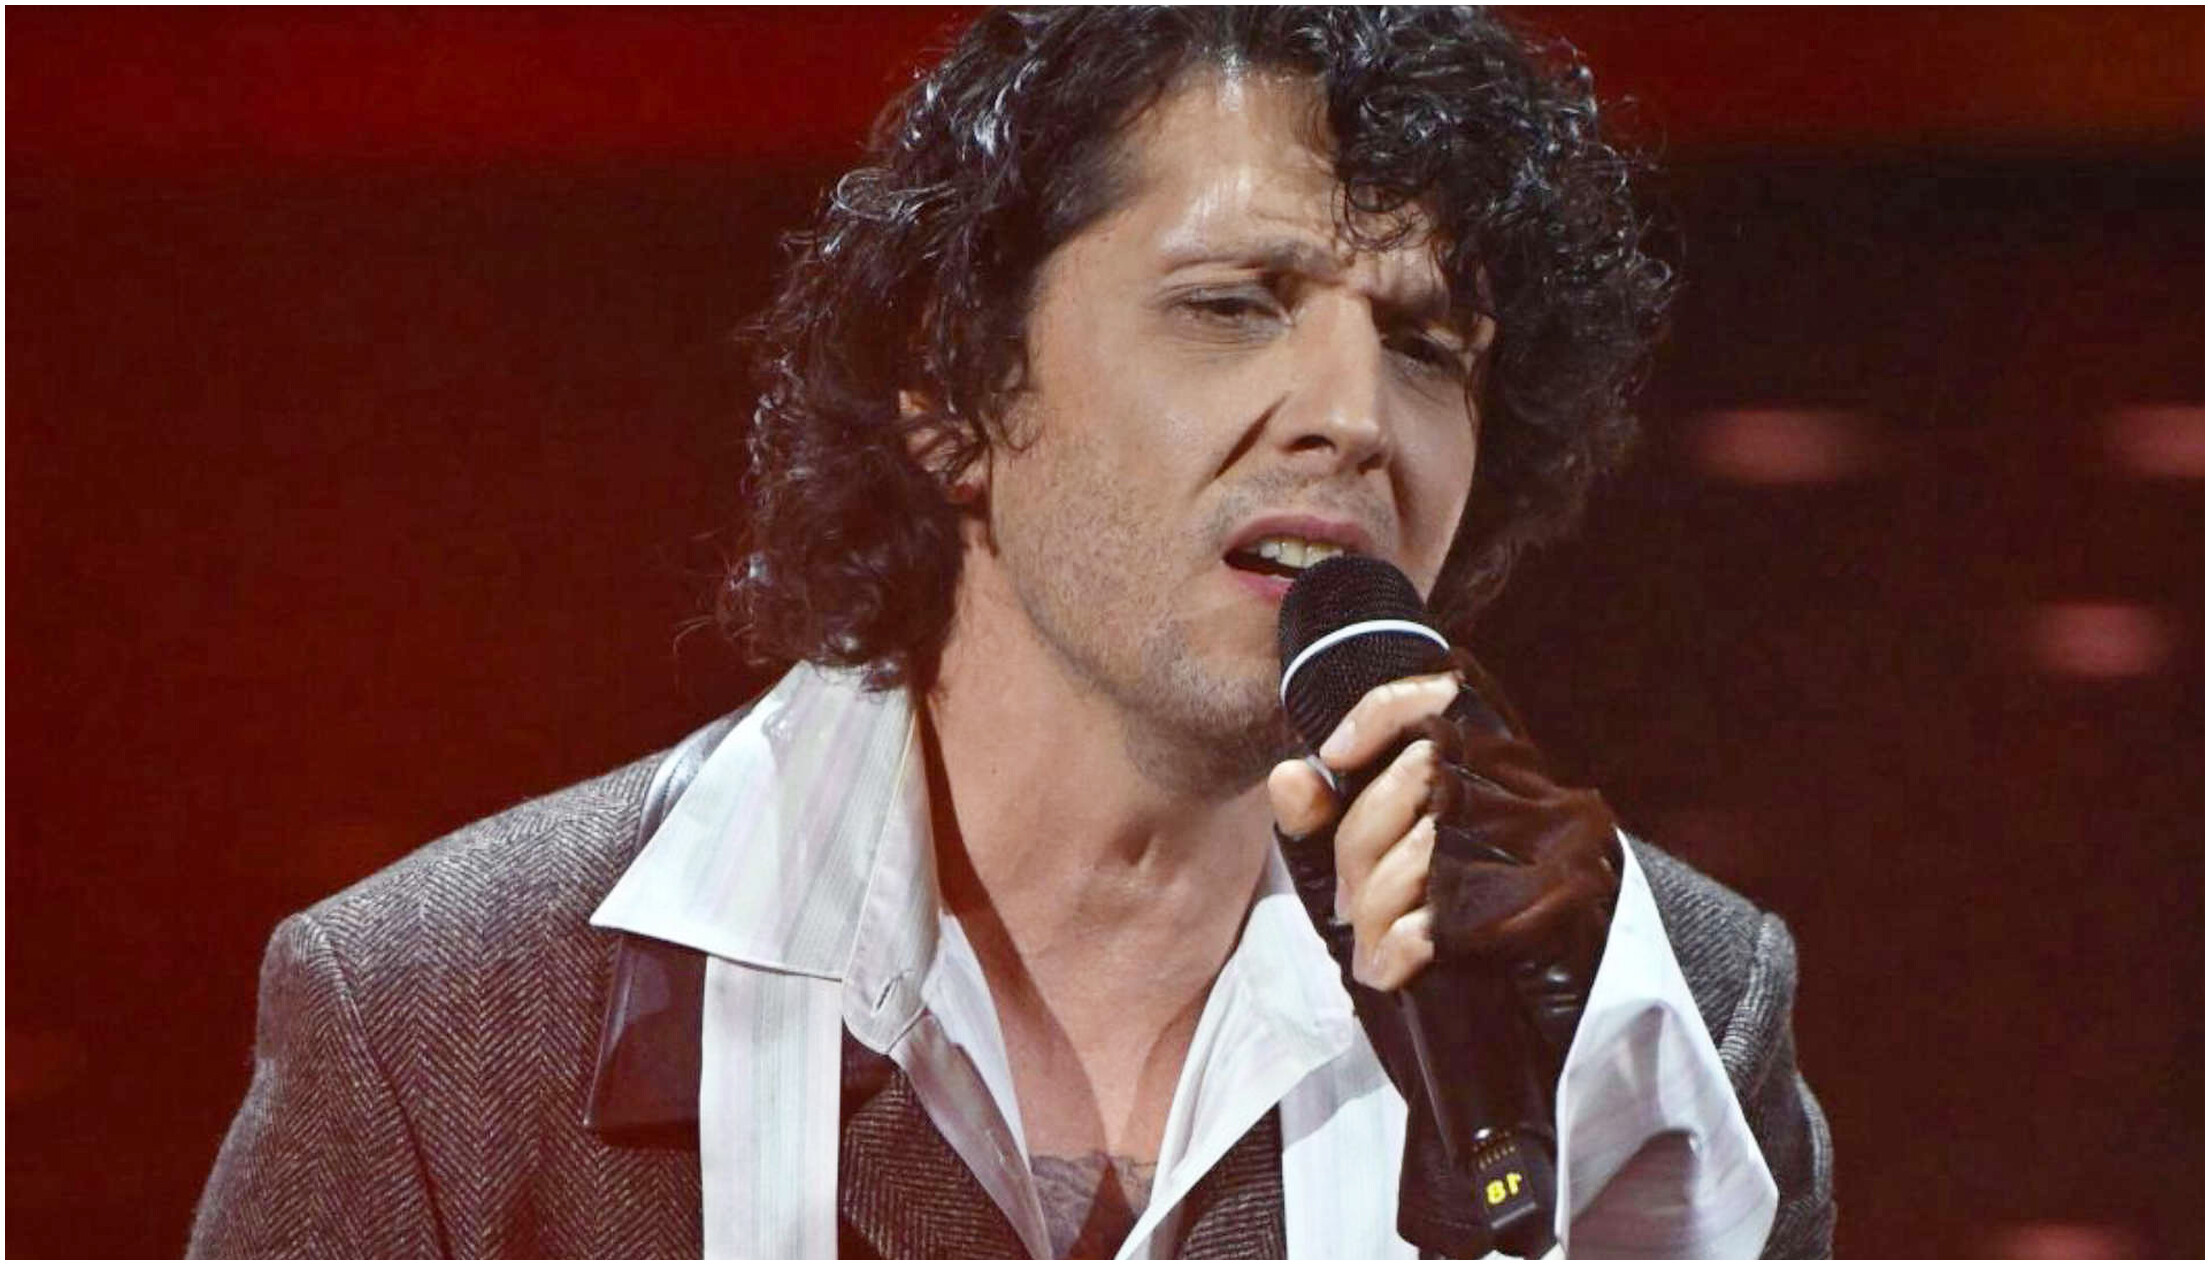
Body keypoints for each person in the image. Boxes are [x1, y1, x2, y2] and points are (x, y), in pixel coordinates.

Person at [190, 8, 1832, 1259]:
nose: (1353, 413)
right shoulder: (444, 1023)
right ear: (954, 385)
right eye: (1232, 303)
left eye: (1426, 347)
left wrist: (1576, 1134)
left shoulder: (1661, 1012)